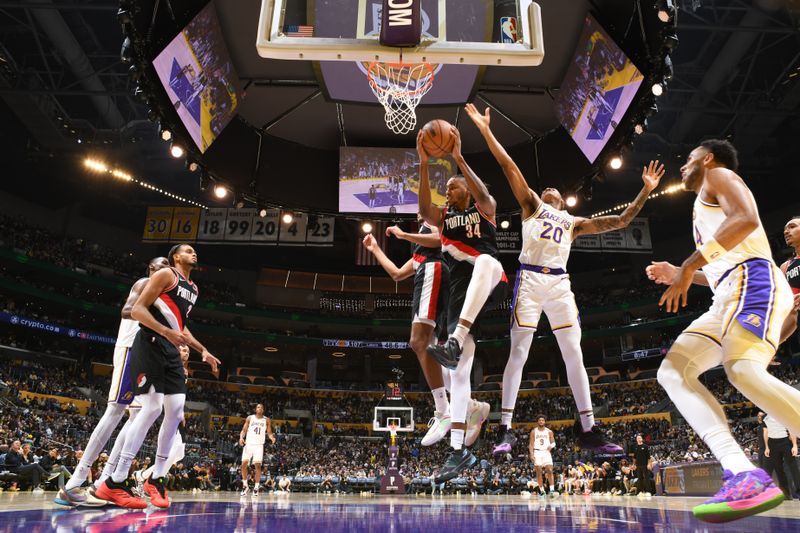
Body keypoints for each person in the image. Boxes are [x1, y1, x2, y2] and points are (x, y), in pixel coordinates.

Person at [463, 104, 658, 454]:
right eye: (546, 187)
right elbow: (509, 167)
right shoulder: (532, 206)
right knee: (518, 353)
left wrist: (645, 189)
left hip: (560, 284)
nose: (550, 187)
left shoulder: (574, 223)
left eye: (556, 188)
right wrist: (485, 131)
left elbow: (622, 221)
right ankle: (505, 429)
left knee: (574, 353)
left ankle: (588, 429)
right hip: (531, 281)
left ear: (565, 202)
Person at [646, 139, 799, 523]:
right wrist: (686, 274)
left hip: (755, 281)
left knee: (742, 370)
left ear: (708, 159)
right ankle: (741, 470)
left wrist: (687, 264)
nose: (683, 165)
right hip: (727, 293)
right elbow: (720, 270)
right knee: (672, 372)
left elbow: (746, 219)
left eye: (688, 159)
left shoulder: (719, 174)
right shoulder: (702, 210)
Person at [416, 125, 508, 483]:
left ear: (467, 190)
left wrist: (458, 158)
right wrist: (424, 163)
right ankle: (458, 453)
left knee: (485, 261)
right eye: (448, 187)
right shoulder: (443, 219)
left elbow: (485, 193)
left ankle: (454, 340)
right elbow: (424, 209)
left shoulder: (484, 209)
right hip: (460, 303)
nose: (448, 189)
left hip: (491, 282)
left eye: (453, 185)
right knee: (459, 371)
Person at [97, 244, 220, 509]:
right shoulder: (166, 275)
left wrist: (204, 351)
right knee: (151, 408)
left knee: (175, 412)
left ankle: (157, 478)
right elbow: (137, 310)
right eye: (188, 250)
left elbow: (181, 327)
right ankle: (115, 481)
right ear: (176, 257)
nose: (193, 253)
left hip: (171, 349)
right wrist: (165, 331)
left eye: (194, 251)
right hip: (150, 342)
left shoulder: (194, 289)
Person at [362, 219, 490, 447]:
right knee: (442, 365)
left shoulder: (432, 221)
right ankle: (472, 406)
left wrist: (403, 235)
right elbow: (396, 274)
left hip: (434, 271)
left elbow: (441, 238)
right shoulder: (419, 253)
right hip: (431, 275)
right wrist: (375, 249)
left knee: (418, 341)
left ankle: (443, 411)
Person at [56, 256, 170, 507]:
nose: (166, 272)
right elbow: (127, 310)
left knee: (137, 415)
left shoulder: (163, 296)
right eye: (163, 266)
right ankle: (75, 482)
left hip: (143, 355)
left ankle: (104, 482)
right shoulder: (144, 284)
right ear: (151, 269)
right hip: (129, 349)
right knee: (115, 411)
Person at [239, 403, 275, 496]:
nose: (259, 408)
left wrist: (272, 438)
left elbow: (269, 432)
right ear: (256, 409)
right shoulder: (250, 418)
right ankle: (245, 486)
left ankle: (256, 487)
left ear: (263, 410)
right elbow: (244, 430)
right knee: (243, 465)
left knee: (258, 466)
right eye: (258, 407)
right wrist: (241, 438)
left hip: (259, 445)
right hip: (249, 443)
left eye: (261, 407)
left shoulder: (266, 420)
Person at [763, 414, 798, 499]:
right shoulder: (765, 417)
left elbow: (791, 429)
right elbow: (765, 432)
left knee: (793, 468)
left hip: (785, 441)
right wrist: (767, 447)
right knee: (778, 469)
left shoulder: (782, 413)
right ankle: (786, 494)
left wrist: (794, 445)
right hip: (772, 443)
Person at [528, 415, 556, 497]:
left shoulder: (549, 431)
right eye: (539, 420)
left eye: (542, 420)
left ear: (545, 422)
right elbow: (531, 444)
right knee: (538, 472)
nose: (541, 421)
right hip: (537, 452)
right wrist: (531, 454)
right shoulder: (533, 431)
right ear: (537, 422)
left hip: (546, 452)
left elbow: (553, 442)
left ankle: (551, 490)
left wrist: (551, 446)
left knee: (550, 470)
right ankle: (542, 491)